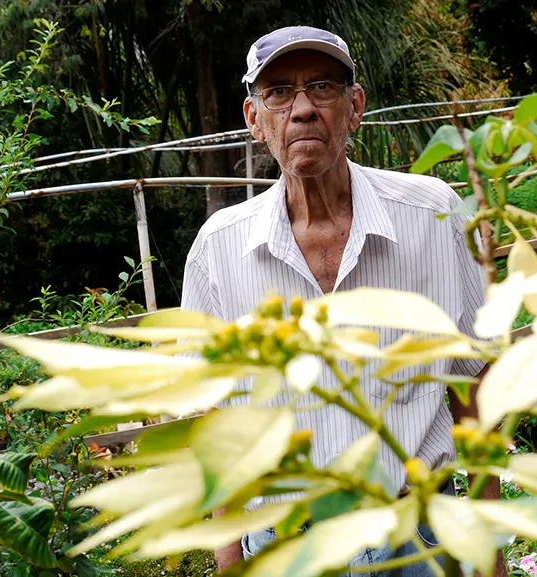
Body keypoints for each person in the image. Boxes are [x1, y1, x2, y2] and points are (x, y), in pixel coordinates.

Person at [180, 25, 505, 577]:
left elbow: (477, 390)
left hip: (421, 538)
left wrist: (490, 552)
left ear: (354, 107)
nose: (302, 109)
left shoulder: (434, 216)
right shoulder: (218, 248)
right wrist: (230, 561)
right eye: (278, 93)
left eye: (322, 88)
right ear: (254, 119)